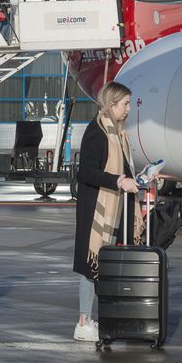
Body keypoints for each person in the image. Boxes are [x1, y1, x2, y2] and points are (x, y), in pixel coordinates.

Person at [72, 81, 142, 343]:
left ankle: (97, 318)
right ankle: (83, 322)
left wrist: (144, 178)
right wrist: (117, 181)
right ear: (112, 104)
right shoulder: (98, 132)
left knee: (105, 266)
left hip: (115, 210)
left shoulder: (119, 134)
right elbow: (87, 172)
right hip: (98, 211)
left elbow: (124, 170)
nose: (127, 110)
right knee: (92, 267)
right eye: (124, 104)